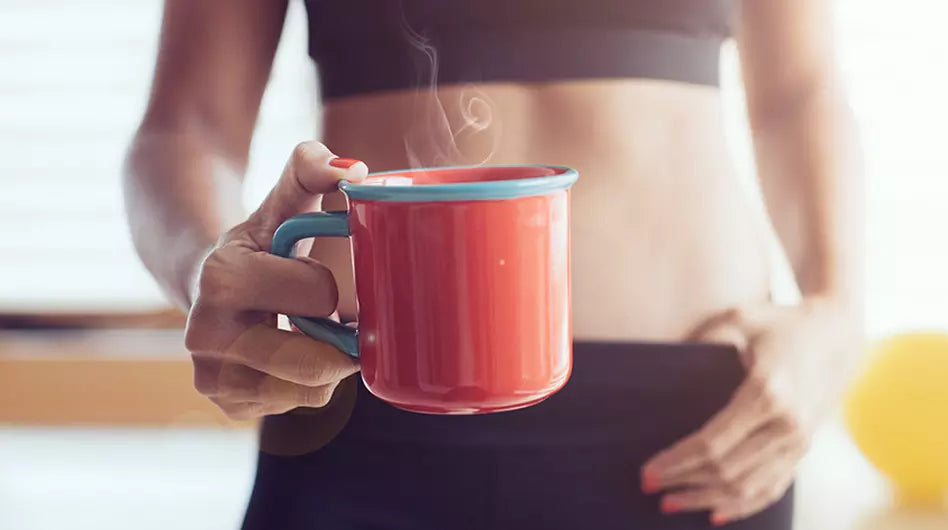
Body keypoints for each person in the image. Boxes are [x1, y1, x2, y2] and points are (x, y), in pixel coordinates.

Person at [124, 0, 863, 528]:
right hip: (349, 405)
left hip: (696, 428)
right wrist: (207, 275)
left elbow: (797, 95)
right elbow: (186, 125)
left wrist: (835, 311)